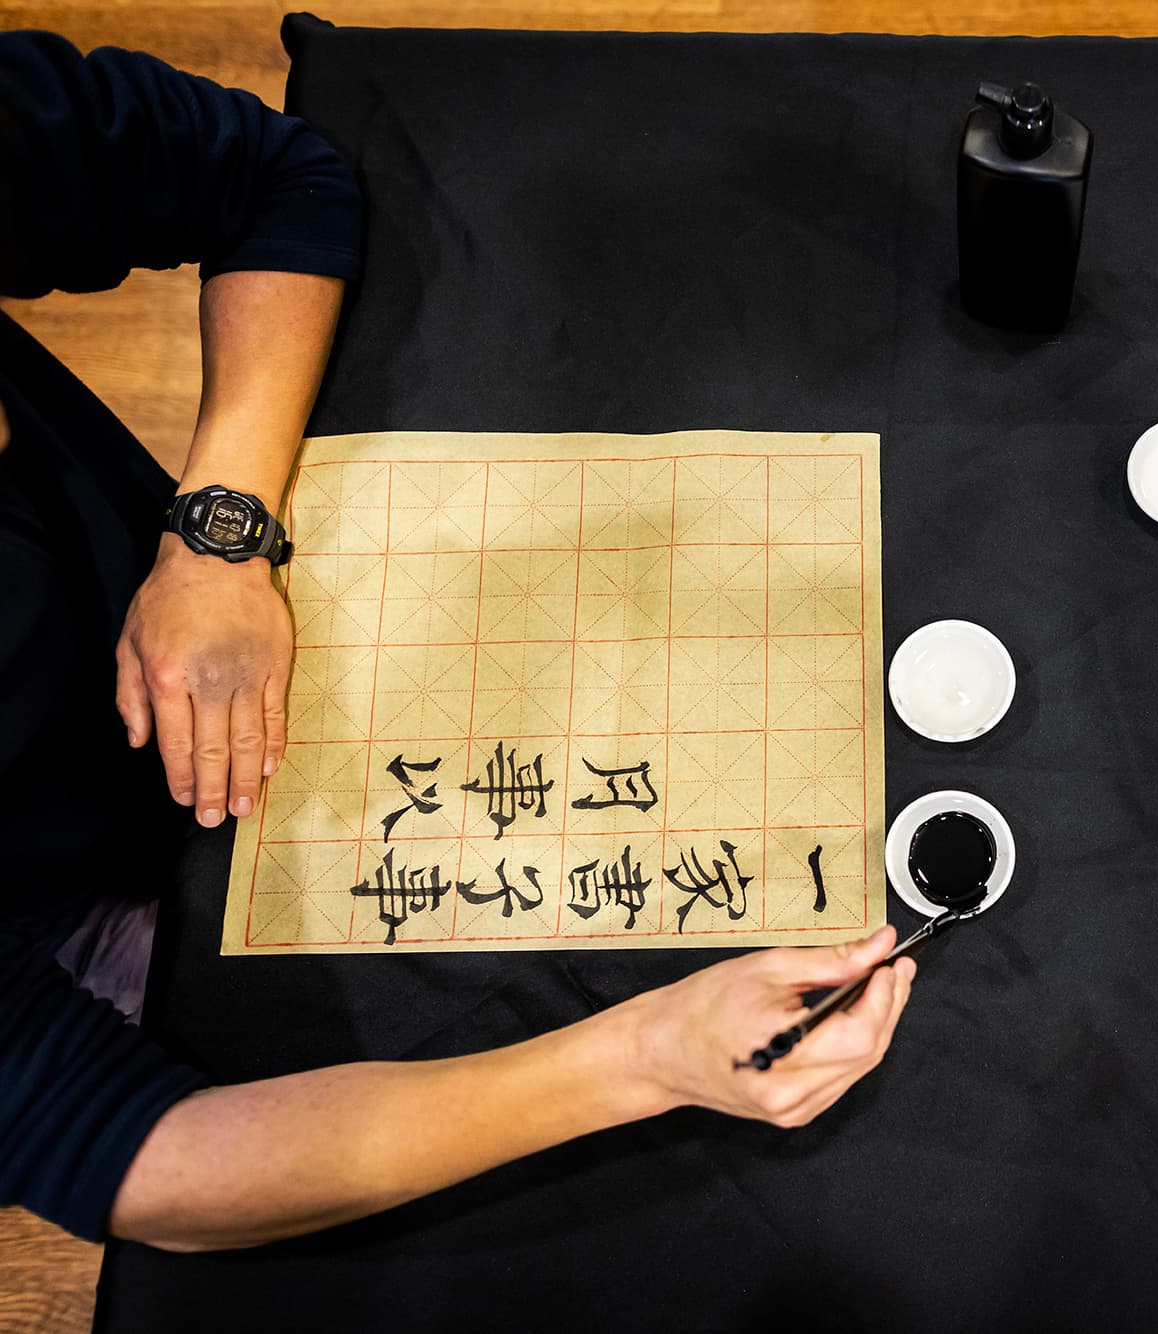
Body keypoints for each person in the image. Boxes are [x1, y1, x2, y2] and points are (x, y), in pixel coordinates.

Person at [0, 32, 913, 1253]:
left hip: (218, 632)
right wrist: (643, 1051)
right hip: (56, 925)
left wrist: (217, 533)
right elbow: (148, 1159)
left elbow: (279, 177)